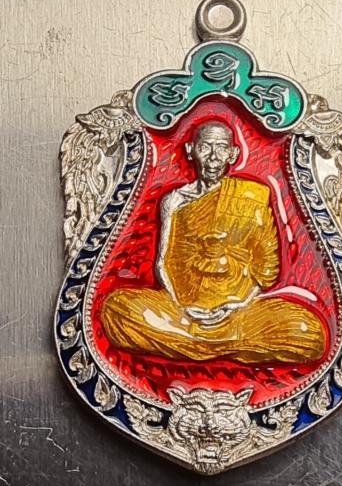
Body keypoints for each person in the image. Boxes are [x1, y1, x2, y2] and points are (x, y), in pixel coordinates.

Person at [101, 121, 326, 364]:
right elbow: (163, 262)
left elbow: (267, 267)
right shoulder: (174, 201)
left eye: (221, 148)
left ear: (233, 154)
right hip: (181, 309)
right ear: (191, 151)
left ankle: (198, 343)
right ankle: (223, 345)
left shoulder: (252, 195)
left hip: (240, 311)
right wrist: (181, 305)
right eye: (205, 147)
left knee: (307, 332)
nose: (213, 156)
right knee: (117, 309)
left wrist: (238, 304)